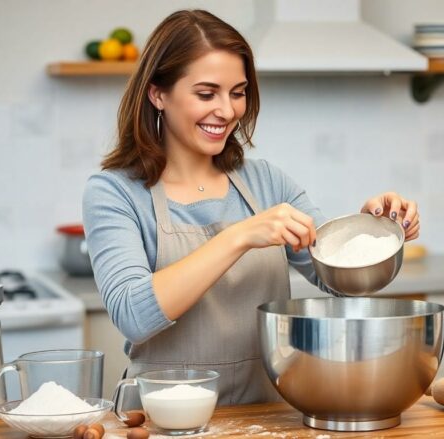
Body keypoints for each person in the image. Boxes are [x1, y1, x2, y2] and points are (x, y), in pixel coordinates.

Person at [82, 9, 420, 406]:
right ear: (158, 93)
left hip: (268, 414)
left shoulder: (266, 182)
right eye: (206, 94)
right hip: (163, 420)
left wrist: (374, 232)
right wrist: (240, 236)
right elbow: (134, 316)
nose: (226, 111)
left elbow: (339, 282)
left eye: (237, 92)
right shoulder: (116, 192)